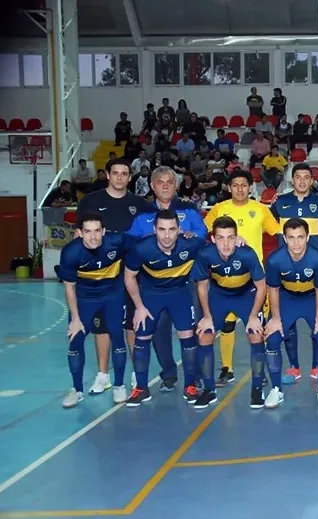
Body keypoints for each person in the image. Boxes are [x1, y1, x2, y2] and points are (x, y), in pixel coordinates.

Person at [75, 159, 155, 396]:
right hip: (100, 275)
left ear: (129, 177)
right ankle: (103, 376)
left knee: (132, 323)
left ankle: (134, 374)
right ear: (107, 175)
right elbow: (79, 234)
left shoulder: (141, 204)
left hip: (131, 273)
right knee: (102, 327)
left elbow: (152, 235)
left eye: (124, 173)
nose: (120, 177)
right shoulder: (90, 201)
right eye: (116, 173)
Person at [127, 166, 208, 391]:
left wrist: (189, 235)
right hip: (153, 283)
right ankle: (169, 374)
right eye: (160, 182)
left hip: (186, 283)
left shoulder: (189, 209)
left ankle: (196, 376)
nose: (165, 186)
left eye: (169, 182)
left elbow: (203, 236)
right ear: (152, 186)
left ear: (176, 185)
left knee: (193, 330)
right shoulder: (142, 213)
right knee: (158, 332)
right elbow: (131, 243)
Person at [204, 170, 281, 387]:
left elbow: (278, 233)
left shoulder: (260, 209)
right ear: (229, 188)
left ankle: (261, 370)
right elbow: (206, 234)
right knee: (227, 326)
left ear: (250, 187)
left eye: (244, 185)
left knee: (258, 327)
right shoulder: (219, 209)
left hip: (253, 280)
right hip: (225, 279)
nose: (239, 189)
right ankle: (226, 369)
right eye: (235, 185)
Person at [123, 209, 205, 407]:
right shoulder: (141, 248)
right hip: (151, 295)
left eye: (171, 229)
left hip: (180, 293)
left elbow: (220, 248)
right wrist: (139, 307)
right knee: (142, 338)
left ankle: (190, 386)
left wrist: (238, 239)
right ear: (154, 230)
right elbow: (129, 276)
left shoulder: (192, 244)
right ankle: (141, 389)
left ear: (179, 230)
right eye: (161, 229)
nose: (166, 235)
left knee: (188, 338)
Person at [191, 216, 267, 409]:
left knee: (256, 335)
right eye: (221, 238)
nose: (226, 243)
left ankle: (257, 389)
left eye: (230, 237)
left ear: (236, 238)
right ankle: (209, 390)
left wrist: (252, 316)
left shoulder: (247, 254)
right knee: (205, 335)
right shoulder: (206, 254)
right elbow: (201, 286)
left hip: (246, 295)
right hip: (219, 296)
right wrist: (207, 316)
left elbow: (261, 286)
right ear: (213, 238)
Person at [271, 163, 318, 382]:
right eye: (297, 177)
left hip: (315, 273)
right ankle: (294, 367)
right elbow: (265, 224)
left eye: (306, 177)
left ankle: (317, 367)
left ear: (311, 180)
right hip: (286, 272)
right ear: (292, 180)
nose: (301, 181)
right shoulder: (280, 202)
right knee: (286, 326)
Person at [58, 213, 128, 408]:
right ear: (80, 233)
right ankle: (77, 390)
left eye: (97, 231)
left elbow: (143, 244)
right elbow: (69, 287)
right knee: (76, 339)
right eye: (87, 231)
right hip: (84, 299)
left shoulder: (117, 242)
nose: (93, 236)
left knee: (117, 336)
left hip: (112, 297)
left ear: (104, 231)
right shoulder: (71, 252)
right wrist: (75, 319)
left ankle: (119, 385)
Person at [263, 218, 318, 409]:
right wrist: (276, 319)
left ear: (308, 237)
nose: (296, 243)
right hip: (288, 299)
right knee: (272, 338)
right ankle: (276, 390)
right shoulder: (274, 259)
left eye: (300, 237)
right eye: (291, 238)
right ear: (285, 239)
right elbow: (273, 290)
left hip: (312, 299)